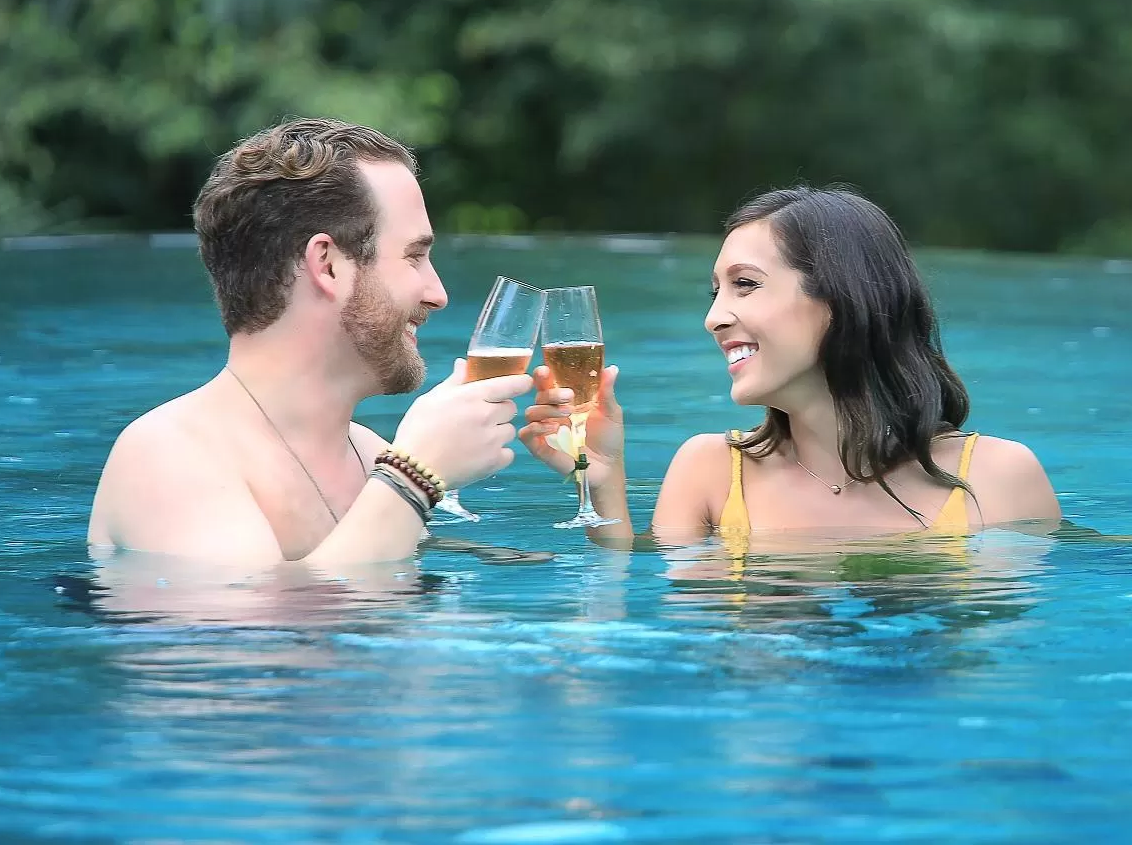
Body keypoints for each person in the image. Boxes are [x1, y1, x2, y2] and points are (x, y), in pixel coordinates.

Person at [88, 119, 533, 567]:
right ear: (328, 265)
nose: (438, 294)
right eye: (414, 256)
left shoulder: (373, 458)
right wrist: (414, 480)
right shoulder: (167, 457)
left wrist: (602, 484)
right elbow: (248, 627)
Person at [520, 185, 1062, 548]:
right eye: (714, 292)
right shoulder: (708, 471)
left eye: (745, 284)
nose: (713, 318)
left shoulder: (995, 477)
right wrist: (602, 478)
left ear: (843, 299)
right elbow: (633, 634)